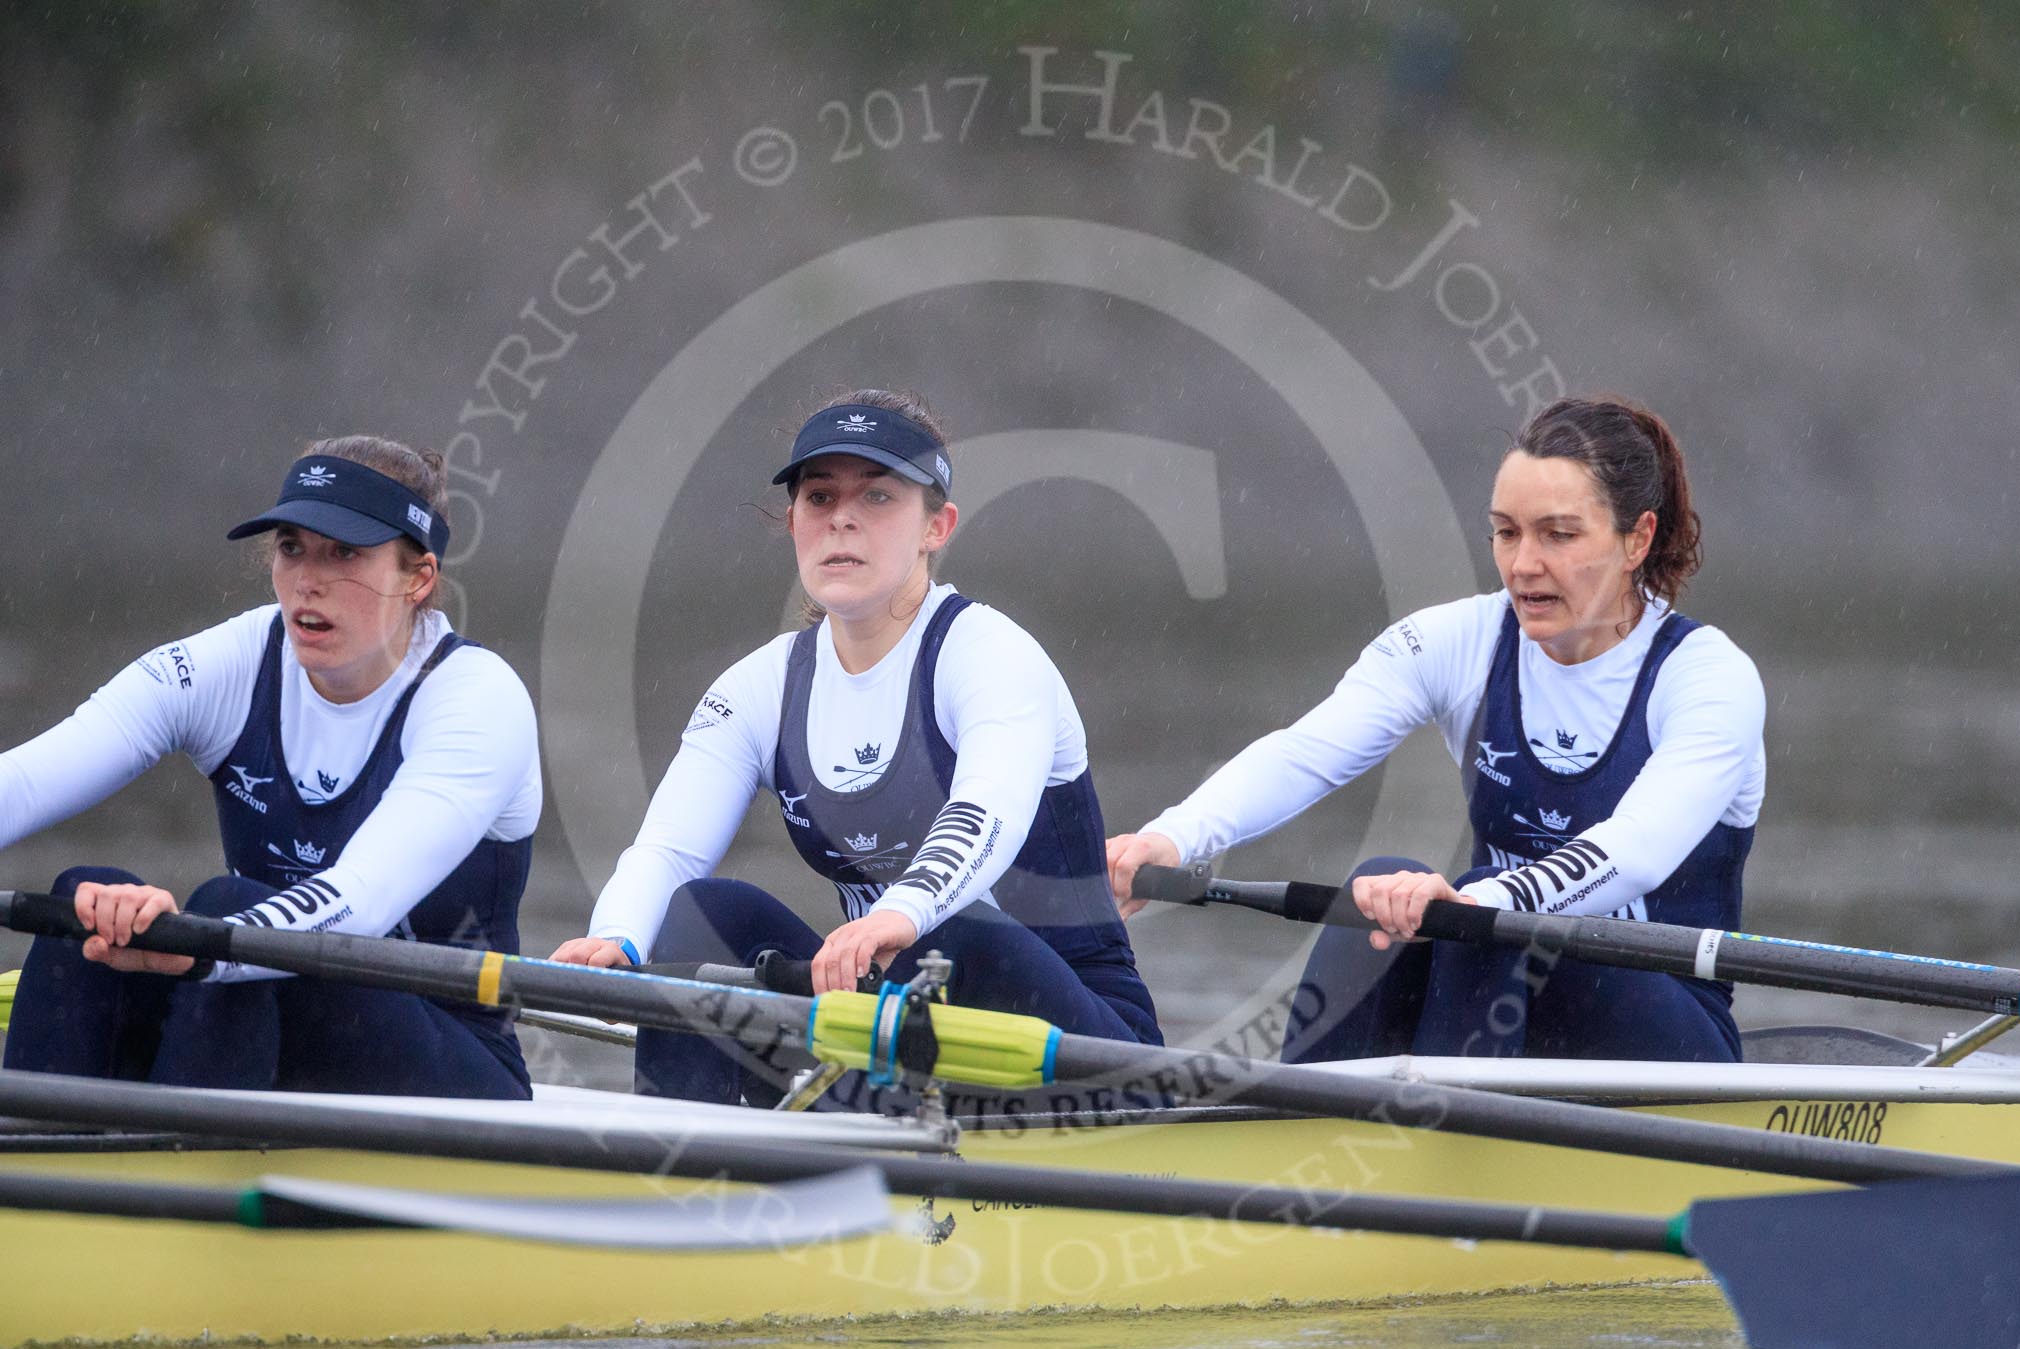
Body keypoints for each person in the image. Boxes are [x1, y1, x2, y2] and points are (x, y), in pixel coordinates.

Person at [1108, 395, 1764, 1063]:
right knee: (1382, 891)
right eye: (1507, 532)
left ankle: (1434, 1134)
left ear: (1637, 539)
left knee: (1474, 918)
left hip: (1669, 1040)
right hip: (1497, 1005)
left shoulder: (1708, 680)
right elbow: (1303, 753)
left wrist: (1479, 900)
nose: (1524, 564)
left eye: (1558, 535)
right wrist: (1172, 838)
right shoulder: (1457, 644)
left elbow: (1639, 848)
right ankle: (1306, 1124)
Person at [552, 389, 1162, 1105]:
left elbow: (984, 812)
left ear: (938, 526)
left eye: (877, 495)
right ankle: (685, 1171)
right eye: (819, 496)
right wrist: (617, 940)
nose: (841, 516)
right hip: (892, 1028)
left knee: (955, 937)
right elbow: (667, 851)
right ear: (793, 523)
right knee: (707, 912)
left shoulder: (991, 655)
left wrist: (897, 913)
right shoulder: (759, 687)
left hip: (1087, 1052)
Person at [0, 436, 542, 1097]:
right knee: (85, 900)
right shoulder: (228, 664)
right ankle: (36, 1154)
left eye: (344, 553)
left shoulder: (477, 699)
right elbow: (24, 785)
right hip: (248, 1016)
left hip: (453, 1059)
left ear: (418, 577)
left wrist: (196, 944)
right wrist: (150, 932)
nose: (309, 581)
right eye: (292, 548)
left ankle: (175, 1174)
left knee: (228, 912)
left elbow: (362, 901)